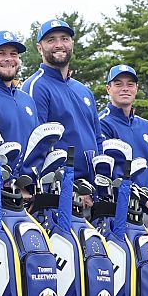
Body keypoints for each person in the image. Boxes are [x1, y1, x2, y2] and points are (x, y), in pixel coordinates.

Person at [22, 19, 100, 181]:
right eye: (51, 40)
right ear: (39, 48)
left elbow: (97, 138)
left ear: (72, 43)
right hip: (59, 188)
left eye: (64, 38)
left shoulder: (83, 90)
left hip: (92, 189)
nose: (59, 44)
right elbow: (35, 143)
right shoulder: (36, 86)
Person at [96, 65, 148, 216]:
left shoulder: (145, 125)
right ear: (108, 89)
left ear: (136, 88)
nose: (125, 88)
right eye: (118, 84)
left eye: (130, 84)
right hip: (121, 210)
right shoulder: (101, 123)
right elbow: (113, 172)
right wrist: (146, 201)